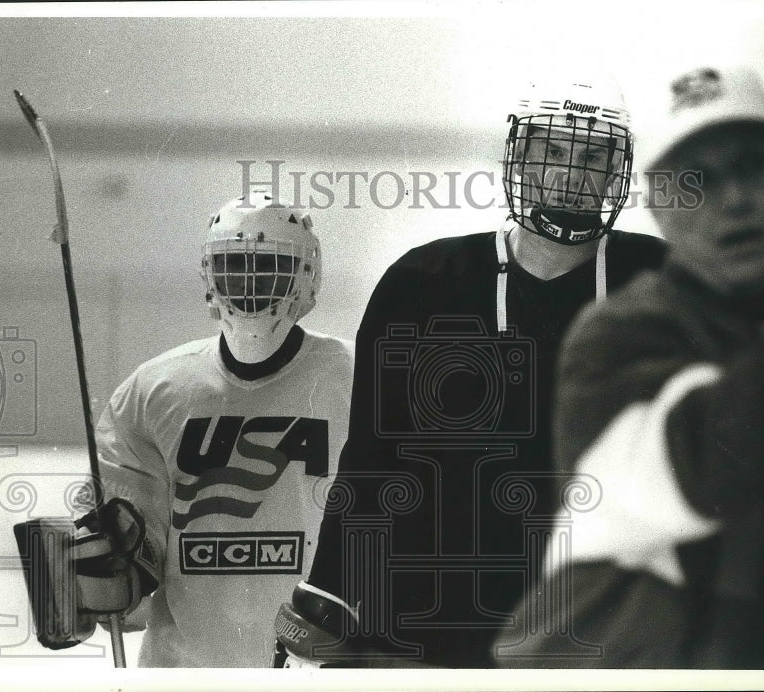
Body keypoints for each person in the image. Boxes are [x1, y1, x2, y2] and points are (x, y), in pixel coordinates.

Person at [273, 73, 666, 668]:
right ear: (519, 156)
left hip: (605, 630)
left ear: (617, 172)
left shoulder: (666, 284)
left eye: (592, 157)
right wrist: (328, 596)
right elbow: (373, 459)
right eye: (553, 152)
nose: (571, 175)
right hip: (434, 628)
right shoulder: (421, 281)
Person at [494, 65, 764, 668]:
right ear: (661, 209)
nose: (734, 198)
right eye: (695, 182)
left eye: (751, 166)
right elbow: (695, 465)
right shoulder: (617, 335)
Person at [19, 191, 354, 666]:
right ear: (210, 275)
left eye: (270, 265)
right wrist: (104, 573)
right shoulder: (154, 389)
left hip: (318, 666)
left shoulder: (361, 382)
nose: (250, 282)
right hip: (185, 668)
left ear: (307, 276)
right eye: (233, 265)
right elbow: (132, 553)